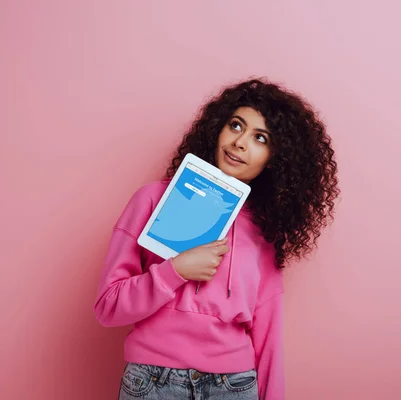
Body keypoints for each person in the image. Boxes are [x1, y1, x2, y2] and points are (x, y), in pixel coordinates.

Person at [94, 78, 339, 399]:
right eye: (236, 125)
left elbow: (268, 336)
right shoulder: (154, 199)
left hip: (233, 385)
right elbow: (108, 307)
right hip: (151, 381)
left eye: (260, 138)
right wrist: (176, 270)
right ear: (216, 129)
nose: (240, 142)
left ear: (275, 158)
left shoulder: (265, 230)